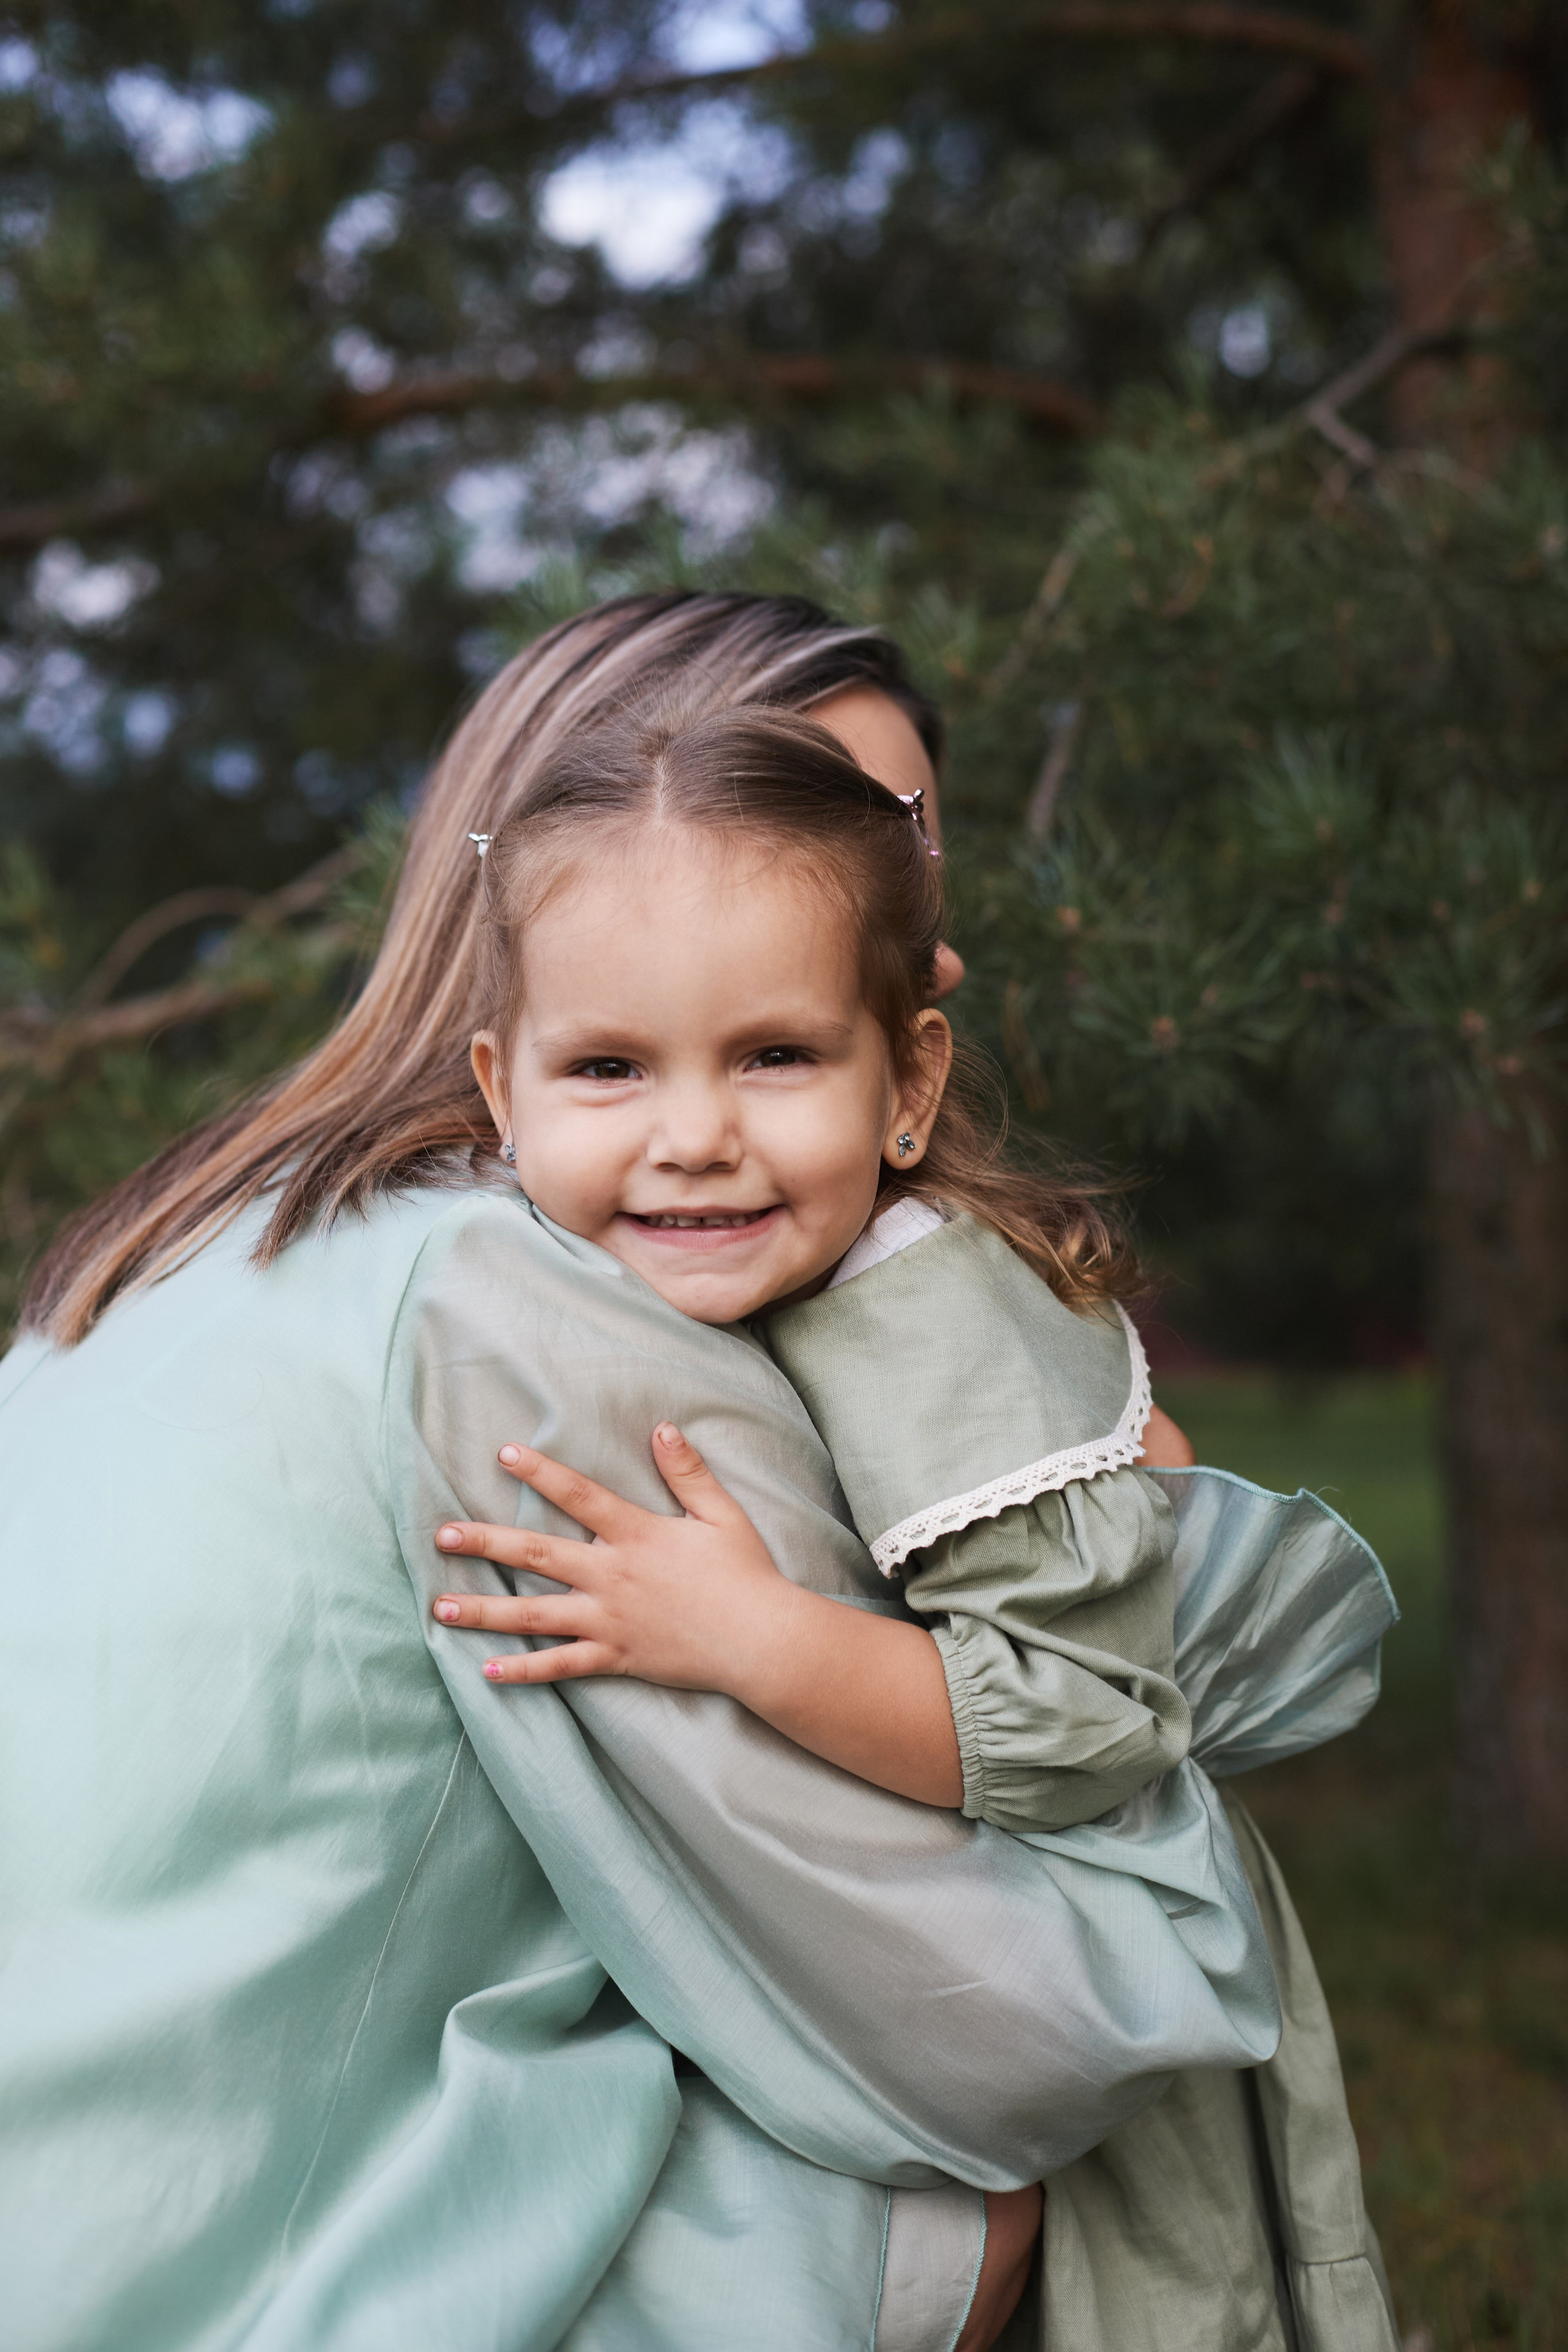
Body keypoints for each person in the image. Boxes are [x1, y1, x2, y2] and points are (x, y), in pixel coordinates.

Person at [0, 595, 1385, 2352]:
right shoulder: (537, 1320)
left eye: (915, 866)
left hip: (94, 2200)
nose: (927, 943)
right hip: (267, 2271)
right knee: (998, 2169)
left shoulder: (199, 1242)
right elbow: (1004, 2026)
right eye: (801, 817)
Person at [421, 695, 1401, 2350]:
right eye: (610, 1067)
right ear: (501, 1091)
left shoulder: (925, 1318)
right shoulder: (605, 1280)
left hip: (1089, 2007)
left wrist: (751, 1637)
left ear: (907, 1079)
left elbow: (1085, 1719)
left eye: (776, 1056)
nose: (694, 1136)